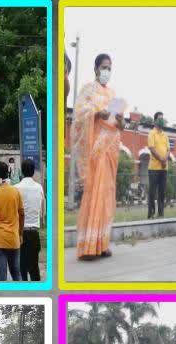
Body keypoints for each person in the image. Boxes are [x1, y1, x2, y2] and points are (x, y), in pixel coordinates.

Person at [72, 53, 125, 260]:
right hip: (96, 150)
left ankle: (102, 243)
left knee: (106, 195)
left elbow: (121, 125)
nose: (107, 71)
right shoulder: (88, 90)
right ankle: (88, 246)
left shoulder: (113, 94)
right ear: (96, 69)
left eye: (110, 68)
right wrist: (98, 113)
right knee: (94, 193)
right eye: (104, 67)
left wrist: (119, 119)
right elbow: (79, 115)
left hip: (111, 148)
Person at [15, 159, 44, 281]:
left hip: (19, 233)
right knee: (34, 268)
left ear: (22, 171)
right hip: (34, 233)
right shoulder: (39, 188)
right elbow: (42, 212)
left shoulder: (16, 188)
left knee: (21, 268)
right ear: (33, 172)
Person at [147, 111, 170, 219]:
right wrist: (161, 159)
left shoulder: (165, 135)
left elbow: (168, 149)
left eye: (162, 118)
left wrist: (165, 159)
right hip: (154, 168)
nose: (161, 120)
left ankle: (161, 214)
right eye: (159, 118)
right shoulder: (152, 133)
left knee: (162, 192)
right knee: (152, 192)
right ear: (155, 120)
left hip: (164, 168)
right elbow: (151, 148)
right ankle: (151, 214)